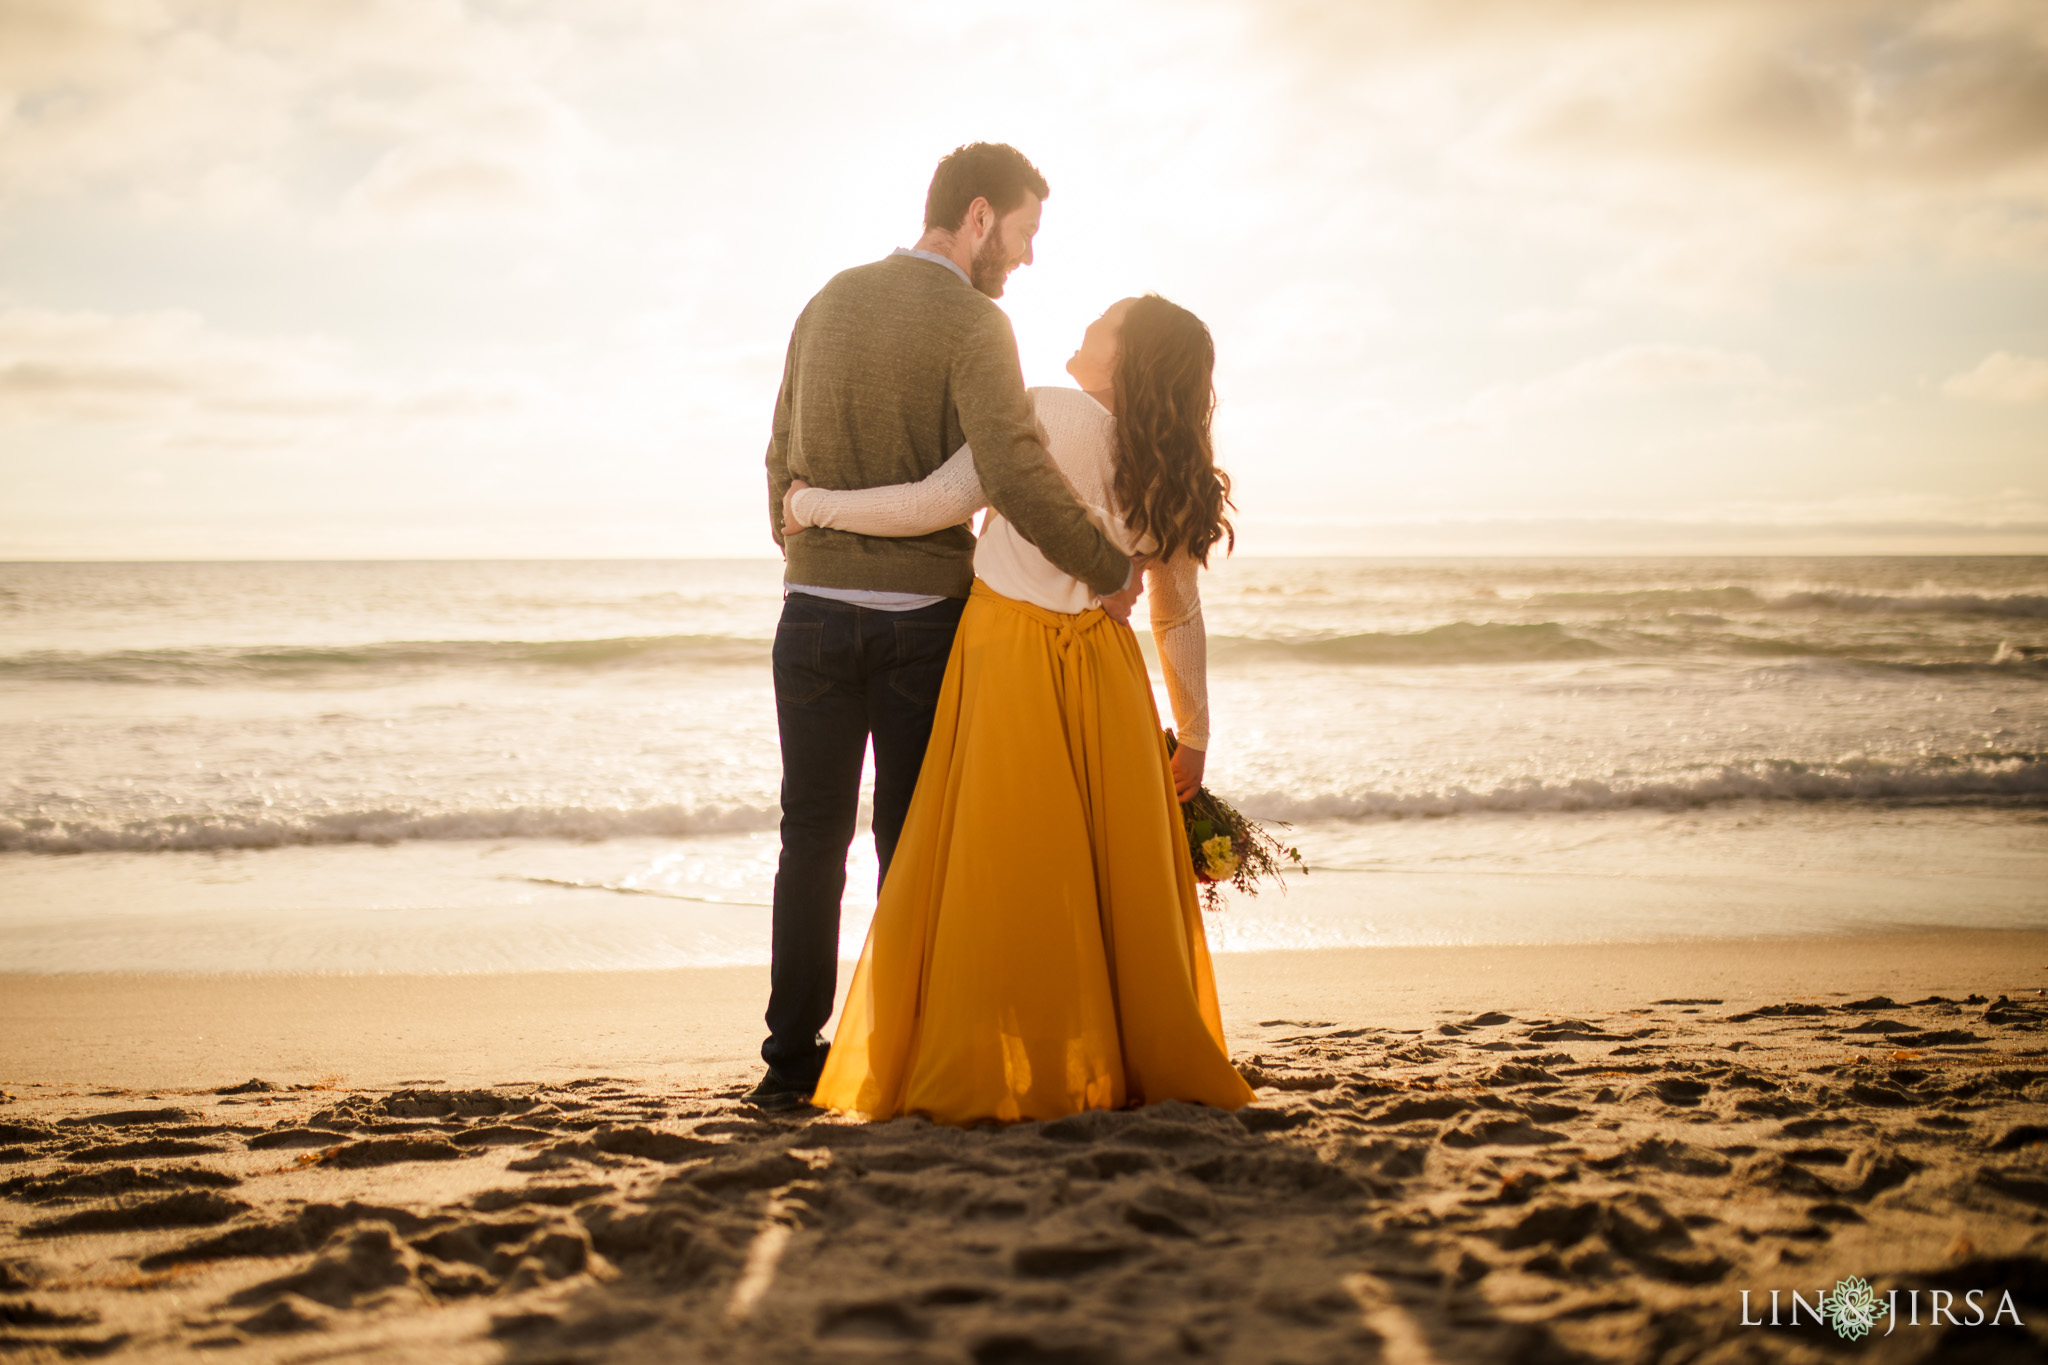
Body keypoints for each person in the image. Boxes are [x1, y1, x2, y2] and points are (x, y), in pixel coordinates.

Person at [784, 293, 1256, 1124]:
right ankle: (1111, 1059)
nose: (1084, 332)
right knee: (1096, 877)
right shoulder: (1170, 465)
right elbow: (1175, 612)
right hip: (1106, 678)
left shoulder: (1043, 410)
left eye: (1102, 326)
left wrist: (813, 507)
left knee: (1006, 870)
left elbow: (936, 501)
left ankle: (1000, 1059)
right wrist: (1195, 737)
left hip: (1006, 660)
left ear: (1129, 357)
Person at [756, 143, 1141, 1110]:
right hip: (922, 625)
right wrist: (1107, 566)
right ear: (977, 216)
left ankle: (789, 1063)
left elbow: (777, 452)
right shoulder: (977, 321)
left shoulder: (827, 299)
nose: (1026, 257)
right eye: (1023, 232)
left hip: (810, 615)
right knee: (910, 841)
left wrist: (795, 532)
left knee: (809, 838)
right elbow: (1011, 469)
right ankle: (899, 1048)